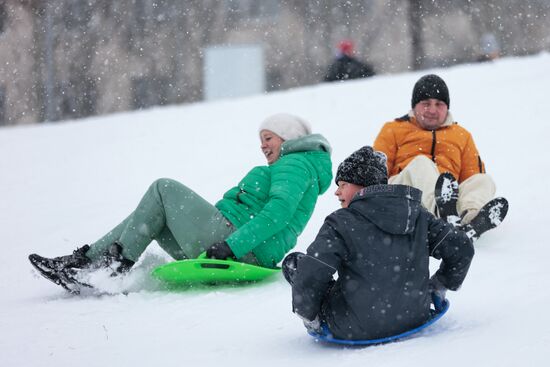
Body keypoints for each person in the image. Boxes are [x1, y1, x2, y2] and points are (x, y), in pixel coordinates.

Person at [29, 113, 333, 294]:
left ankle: (110, 265)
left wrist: (231, 247)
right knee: (151, 212)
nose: (262, 145)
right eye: (261, 139)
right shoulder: (290, 165)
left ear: (288, 137)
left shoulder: (294, 164)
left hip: (240, 247)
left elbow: (276, 215)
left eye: (269, 138)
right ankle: (88, 263)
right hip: (231, 242)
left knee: (163, 188)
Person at [283, 146, 474, 341]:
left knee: (297, 262)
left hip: (353, 326)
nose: (337, 192)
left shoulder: (341, 222)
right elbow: (461, 246)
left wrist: (310, 315)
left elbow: (314, 270)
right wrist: (441, 284)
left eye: (343, 184)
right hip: (416, 315)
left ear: (362, 185)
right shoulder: (416, 214)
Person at [373, 74, 496, 225]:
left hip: (450, 198)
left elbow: (471, 177)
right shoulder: (393, 129)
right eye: (426, 103)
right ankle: (441, 214)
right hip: (404, 196)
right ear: (414, 106)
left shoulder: (461, 135)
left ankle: (469, 219)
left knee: (483, 179)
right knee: (421, 163)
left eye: (439, 104)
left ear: (447, 108)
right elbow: (376, 172)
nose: (432, 110)